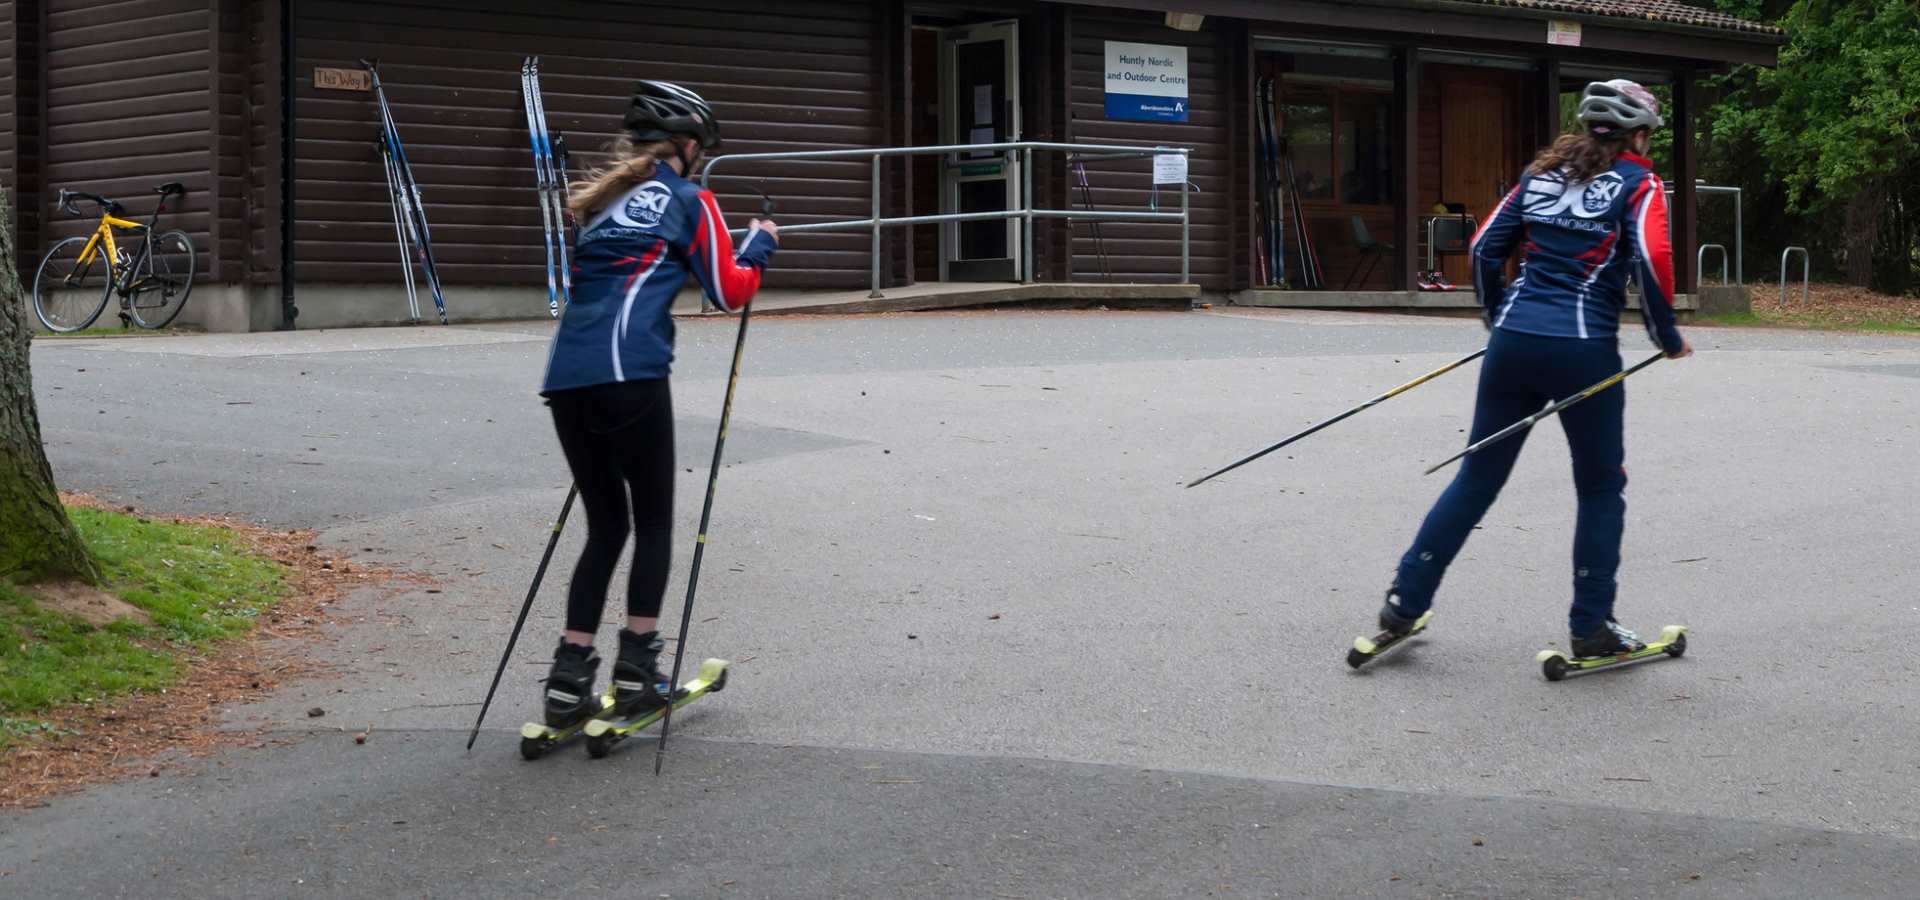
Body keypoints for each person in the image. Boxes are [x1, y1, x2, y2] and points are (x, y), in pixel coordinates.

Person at [1374, 79, 1688, 658]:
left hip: (1513, 344)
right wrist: (1665, 336)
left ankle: (1403, 604)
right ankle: (1591, 627)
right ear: (1638, 136)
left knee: (1476, 477)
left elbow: (1482, 249)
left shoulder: (1539, 175)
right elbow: (1651, 256)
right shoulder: (1640, 182)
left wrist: (1499, 321)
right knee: (1600, 487)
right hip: (1584, 351)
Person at [537, 80, 777, 728]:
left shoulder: (603, 204)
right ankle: (637, 671)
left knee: (606, 525)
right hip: (632, 375)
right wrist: (758, 244)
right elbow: (728, 290)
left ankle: (568, 678)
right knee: (656, 523)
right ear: (689, 146)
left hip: (566, 379)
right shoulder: (690, 199)